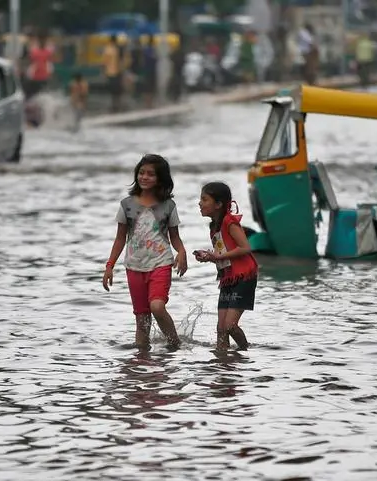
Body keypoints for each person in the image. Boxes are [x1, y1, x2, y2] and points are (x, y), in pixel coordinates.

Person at [103, 154, 188, 350]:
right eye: (141, 173)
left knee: (157, 306)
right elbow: (120, 238)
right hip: (134, 266)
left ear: (160, 178)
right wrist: (110, 266)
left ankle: (175, 345)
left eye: (151, 174)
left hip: (161, 262)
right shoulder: (127, 205)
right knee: (141, 320)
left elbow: (174, 236)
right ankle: (142, 363)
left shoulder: (168, 205)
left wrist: (181, 252)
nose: (145, 177)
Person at [194, 182, 258, 351]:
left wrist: (218, 256)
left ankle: (246, 351)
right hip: (228, 278)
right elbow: (224, 254)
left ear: (218, 204)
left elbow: (245, 248)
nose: (199, 203)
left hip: (244, 277)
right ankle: (223, 362)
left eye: (204, 199)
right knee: (221, 329)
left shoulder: (229, 221)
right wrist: (209, 257)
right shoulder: (213, 226)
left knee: (230, 326)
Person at [102, 35, 123, 112]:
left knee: (114, 88)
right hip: (114, 71)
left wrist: (104, 71)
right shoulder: (114, 49)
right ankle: (115, 102)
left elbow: (104, 62)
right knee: (115, 88)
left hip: (112, 71)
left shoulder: (108, 49)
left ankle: (115, 103)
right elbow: (105, 62)